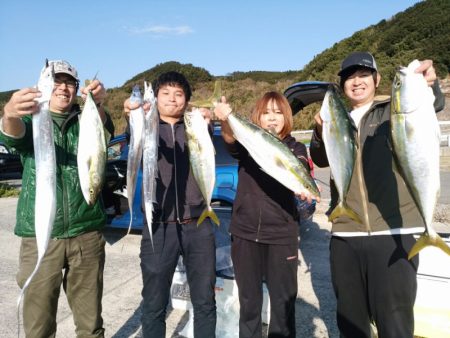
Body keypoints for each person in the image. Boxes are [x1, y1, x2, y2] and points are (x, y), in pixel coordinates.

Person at [310, 52, 445, 338]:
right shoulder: (337, 118)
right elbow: (321, 159)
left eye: (363, 76)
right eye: (349, 78)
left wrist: (427, 85)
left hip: (395, 232)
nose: (356, 82)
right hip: (346, 235)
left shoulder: (390, 112)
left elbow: (429, 107)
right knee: (352, 322)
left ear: (377, 80)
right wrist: (319, 130)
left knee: (395, 322)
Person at [0, 60, 114, 337]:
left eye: (69, 82)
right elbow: (13, 134)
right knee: (38, 326)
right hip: (41, 236)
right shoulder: (32, 119)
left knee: (90, 326)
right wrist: (10, 112)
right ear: (45, 86)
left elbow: (104, 129)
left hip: (86, 234)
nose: (63, 87)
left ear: (76, 89)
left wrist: (98, 104)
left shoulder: (88, 118)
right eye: (56, 81)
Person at [214, 92, 318, 338]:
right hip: (245, 233)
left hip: (282, 236)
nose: (273, 118)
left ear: (287, 117)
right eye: (266, 113)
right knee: (249, 305)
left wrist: (304, 188)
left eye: (278, 113)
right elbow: (229, 138)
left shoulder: (295, 147)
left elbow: (300, 167)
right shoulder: (247, 144)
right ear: (258, 118)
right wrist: (225, 118)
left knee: (283, 307)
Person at [123, 71, 216, 338]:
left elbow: (210, 130)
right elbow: (132, 136)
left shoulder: (196, 127)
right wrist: (131, 113)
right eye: (165, 93)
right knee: (153, 304)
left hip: (198, 225)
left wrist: (208, 118)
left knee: (205, 302)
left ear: (187, 100)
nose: (172, 100)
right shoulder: (144, 126)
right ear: (156, 97)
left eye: (179, 94)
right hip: (158, 226)